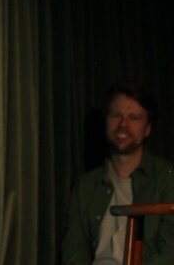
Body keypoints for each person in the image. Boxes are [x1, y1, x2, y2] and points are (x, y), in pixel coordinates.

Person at [62, 83, 174, 264]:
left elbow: (170, 251)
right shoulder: (85, 185)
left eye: (134, 118)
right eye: (116, 115)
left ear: (148, 129)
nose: (123, 125)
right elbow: (74, 251)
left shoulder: (167, 178)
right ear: (105, 122)